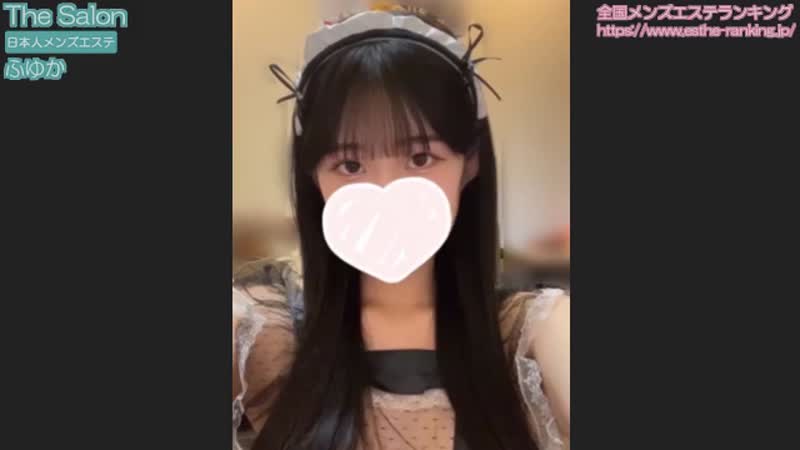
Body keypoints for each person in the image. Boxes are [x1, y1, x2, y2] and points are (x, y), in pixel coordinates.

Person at [232, 6, 570, 450]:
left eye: (420, 158)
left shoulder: (533, 333)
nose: (385, 190)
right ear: (314, 176)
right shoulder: (264, 328)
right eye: (350, 164)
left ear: (469, 164)